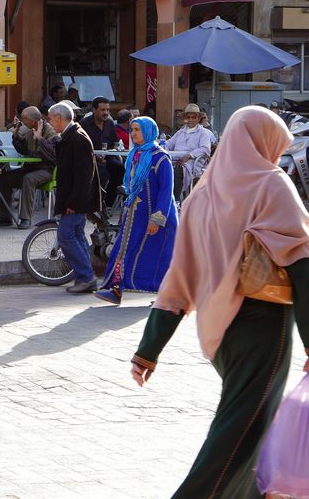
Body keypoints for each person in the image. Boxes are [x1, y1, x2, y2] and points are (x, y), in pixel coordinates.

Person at [129, 107, 309, 497]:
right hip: (263, 328)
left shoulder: (200, 195)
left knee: (254, 427)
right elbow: (301, 264)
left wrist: (149, 350)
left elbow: (178, 280)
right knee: (239, 433)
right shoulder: (272, 185)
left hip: (217, 336)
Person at [94, 117, 178, 305]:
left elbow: (166, 191)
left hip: (157, 217)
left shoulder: (161, 157)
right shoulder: (135, 155)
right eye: (132, 129)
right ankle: (115, 289)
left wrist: (157, 219)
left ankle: (167, 293)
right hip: (135, 215)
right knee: (122, 250)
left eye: (137, 130)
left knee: (160, 256)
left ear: (148, 131)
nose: (133, 133)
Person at [48, 103, 103, 294]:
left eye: (51, 119)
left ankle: (86, 278)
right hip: (73, 198)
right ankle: (85, 277)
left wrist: (73, 202)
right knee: (77, 236)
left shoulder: (78, 139)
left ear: (59, 118)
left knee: (65, 235)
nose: (50, 123)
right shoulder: (69, 136)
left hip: (76, 200)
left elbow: (84, 176)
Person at [0, 106, 58, 229]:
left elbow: (53, 155)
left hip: (47, 170)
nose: (22, 122)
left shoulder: (51, 132)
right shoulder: (30, 130)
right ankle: (4, 217)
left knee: (28, 179)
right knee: (5, 178)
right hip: (31, 167)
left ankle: (25, 218)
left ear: (32, 120)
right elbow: (24, 150)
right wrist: (16, 135)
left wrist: (40, 138)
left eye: (24, 119)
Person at [79, 96, 124, 209]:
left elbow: (115, 143)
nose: (106, 113)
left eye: (108, 110)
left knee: (119, 168)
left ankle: (107, 202)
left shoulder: (109, 123)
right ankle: (94, 202)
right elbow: (80, 145)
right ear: (94, 110)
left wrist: (112, 151)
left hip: (107, 157)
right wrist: (97, 158)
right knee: (101, 172)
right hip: (89, 159)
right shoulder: (84, 124)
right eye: (103, 110)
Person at [165, 103, 214, 199]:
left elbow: (205, 149)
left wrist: (189, 156)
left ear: (198, 118)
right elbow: (168, 144)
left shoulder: (203, 133)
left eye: (193, 117)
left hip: (192, 163)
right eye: (188, 117)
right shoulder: (180, 132)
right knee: (162, 169)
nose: (190, 120)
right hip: (176, 160)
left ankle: (175, 200)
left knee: (177, 171)